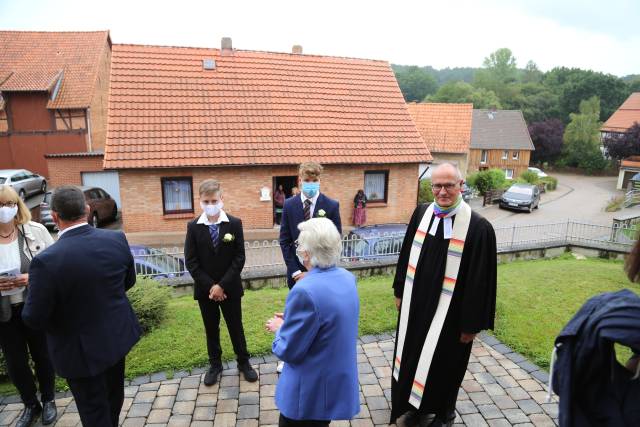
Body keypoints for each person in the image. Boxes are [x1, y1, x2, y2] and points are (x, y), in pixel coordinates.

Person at [22, 186, 141, 427]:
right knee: (113, 401)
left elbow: (34, 318)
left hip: (80, 353)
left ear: (55, 217)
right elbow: (128, 282)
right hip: (116, 339)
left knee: (94, 413)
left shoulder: (46, 262)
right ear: (87, 210)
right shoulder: (116, 238)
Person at [391, 163, 497, 427]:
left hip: (451, 317)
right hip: (417, 307)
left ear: (461, 185)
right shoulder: (421, 214)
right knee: (415, 357)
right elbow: (406, 255)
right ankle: (416, 406)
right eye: (437, 186)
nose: (442, 192)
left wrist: (471, 325)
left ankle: (443, 412)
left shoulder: (478, 228)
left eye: (449, 185)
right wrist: (400, 290)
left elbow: (480, 282)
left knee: (446, 365)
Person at [266, 218, 360, 426]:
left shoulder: (304, 290)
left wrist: (281, 328)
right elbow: (328, 321)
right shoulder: (346, 278)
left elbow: (289, 350)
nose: (298, 249)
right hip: (332, 382)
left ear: (307, 253)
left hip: (308, 393)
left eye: (299, 245)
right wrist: (293, 320)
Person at [184, 179, 258, 386]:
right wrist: (211, 287)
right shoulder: (193, 227)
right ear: (199, 201)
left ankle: (243, 362)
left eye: (214, 200)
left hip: (230, 287)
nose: (210, 204)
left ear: (221, 199)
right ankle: (215, 364)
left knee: (236, 326)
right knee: (211, 327)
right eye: (206, 201)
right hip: (205, 291)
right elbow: (191, 261)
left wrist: (222, 285)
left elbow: (239, 257)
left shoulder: (234, 223)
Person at [0, 185, 57, 427]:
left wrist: (30, 277)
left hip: (33, 305)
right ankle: (30, 404)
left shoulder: (36, 231)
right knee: (16, 362)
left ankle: (49, 400)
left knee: (43, 355)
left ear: (17, 206)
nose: (5, 209)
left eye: (9, 204)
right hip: (3, 312)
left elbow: (56, 266)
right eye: (0, 205)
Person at [279, 162, 342, 289]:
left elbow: (336, 242)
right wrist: (296, 271)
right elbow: (285, 241)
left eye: (314, 180)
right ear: (300, 180)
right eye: (307, 180)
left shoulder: (331, 205)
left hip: (323, 274)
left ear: (320, 180)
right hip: (297, 275)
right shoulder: (289, 205)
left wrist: (314, 273)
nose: (311, 183)